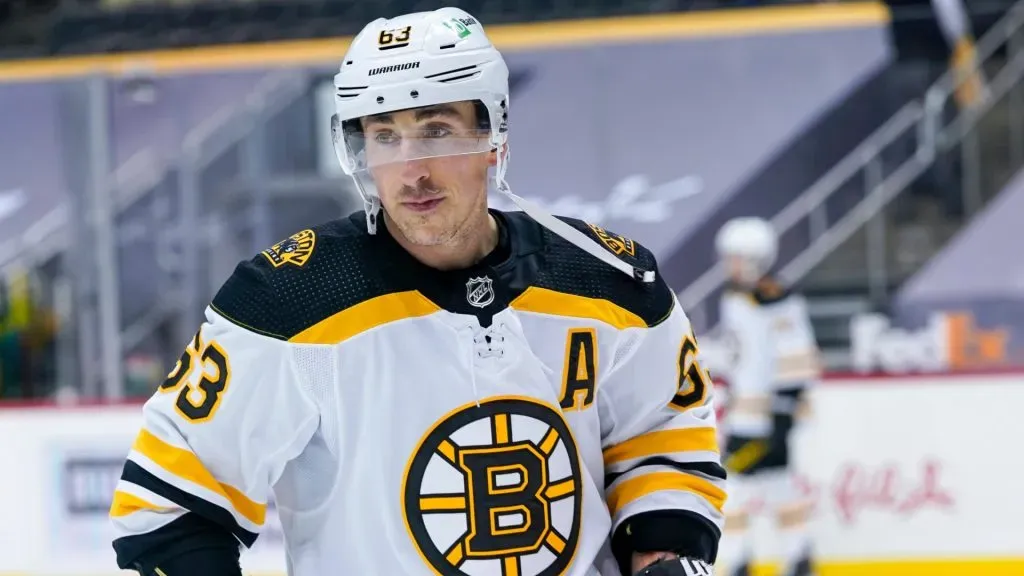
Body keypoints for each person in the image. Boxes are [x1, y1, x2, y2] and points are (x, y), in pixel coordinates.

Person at [109, 8, 725, 576]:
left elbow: (662, 434)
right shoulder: (288, 301)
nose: (412, 170)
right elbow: (171, 502)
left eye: (436, 131)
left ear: (495, 136)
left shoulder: (608, 282)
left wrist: (661, 553)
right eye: (384, 136)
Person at [712, 218, 820, 576]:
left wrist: (784, 412)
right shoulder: (735, 297)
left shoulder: (775, 299)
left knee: (735, 484)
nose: (730, 265)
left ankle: (744, 558)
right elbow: (739, 354)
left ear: (756, 258)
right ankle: (798, 554)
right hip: (745, 413)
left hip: (765, 416)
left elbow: (796, 354)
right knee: (775, 483)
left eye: (736, 257)